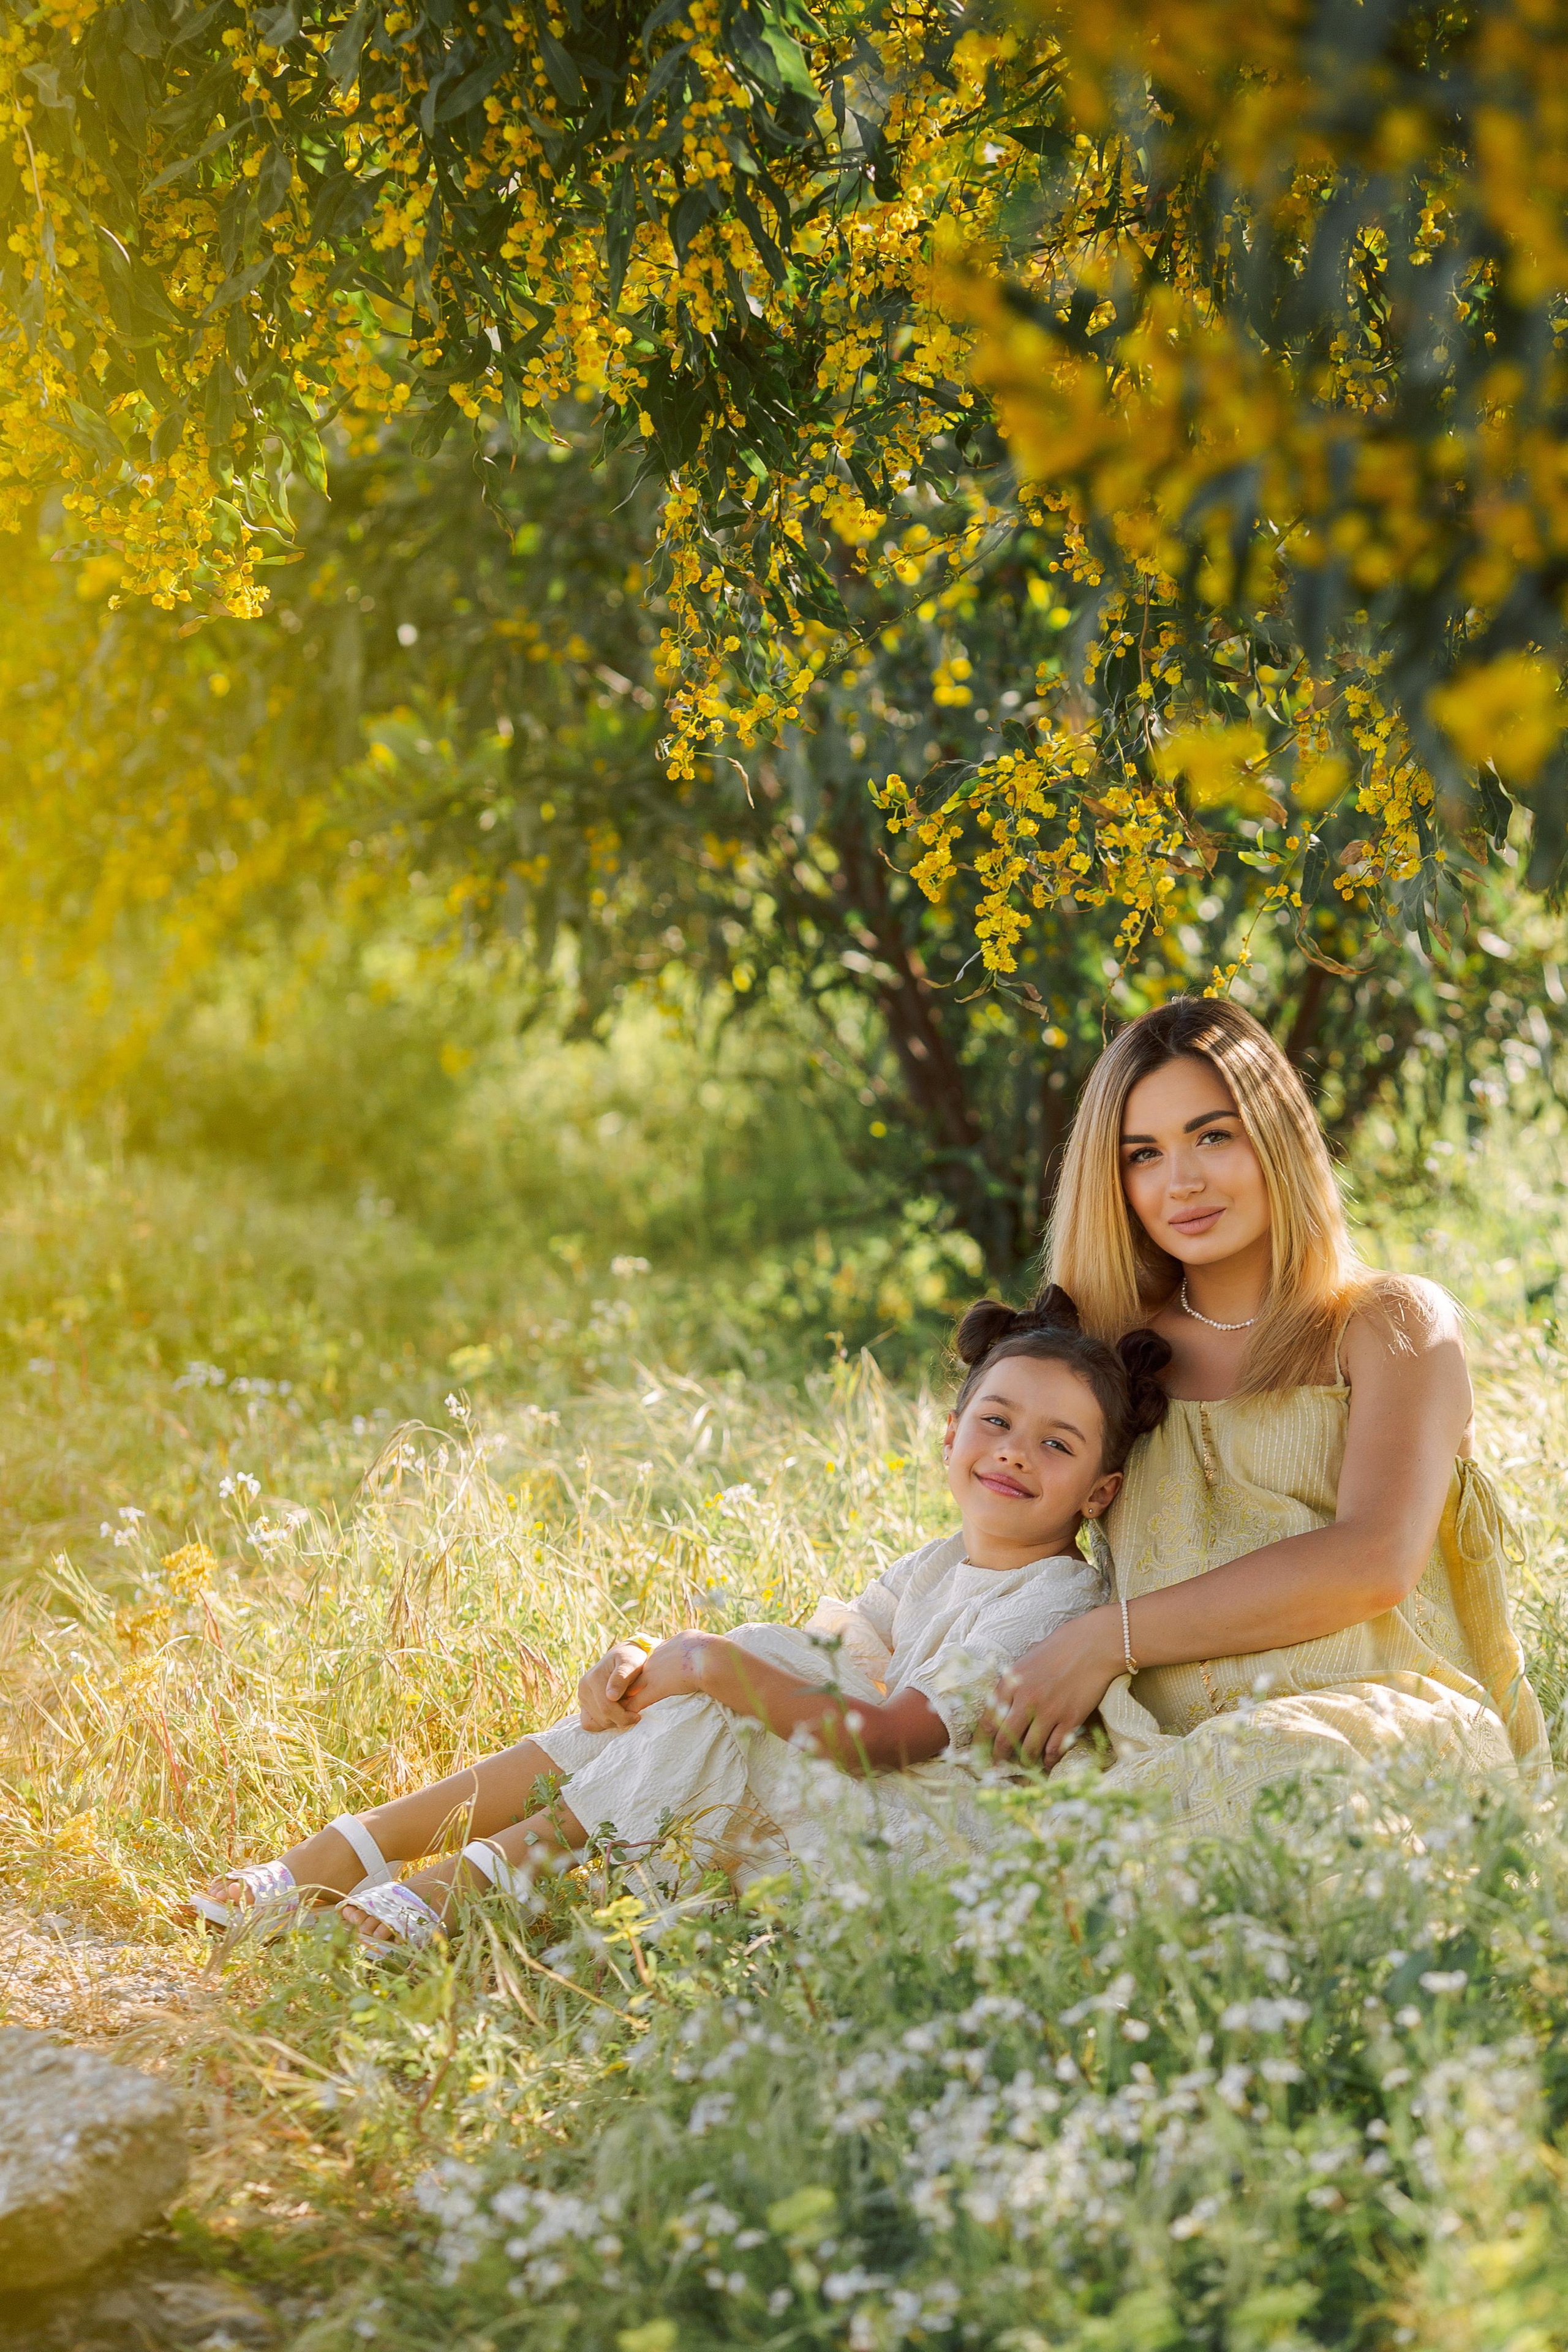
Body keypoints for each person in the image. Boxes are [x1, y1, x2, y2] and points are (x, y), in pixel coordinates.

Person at [184, 1295, 1169, 1948]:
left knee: (739, 1673)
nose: (1014, 1453)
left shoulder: (1056, 1600)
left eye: (1057, 1443)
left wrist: (706, 1666)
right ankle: (349, 1856)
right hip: (843, 1814)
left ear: (1099, 1490)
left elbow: (890, 1740)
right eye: (995, 1422)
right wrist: (653, 1663)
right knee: (747, 1667)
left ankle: (444, 1888)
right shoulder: (932, 1568)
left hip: (921, 1859)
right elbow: (813, 1673)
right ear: (950, 1434)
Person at [975, 996, 1548, 1833]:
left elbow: (1374, 1560)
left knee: (1272, 1779)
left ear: (1276, 1136)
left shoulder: (1391, 1325)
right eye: (1144, 1154)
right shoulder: (1106, 1357)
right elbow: (1010, 1540)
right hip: (1157, 1742)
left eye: (1214, 1136)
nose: (1183, 1182)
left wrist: (1110, 1639)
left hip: (1375, 1731)